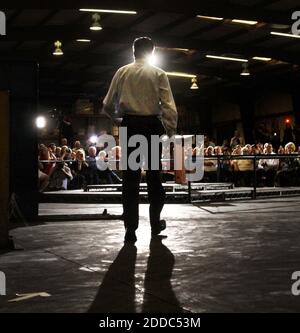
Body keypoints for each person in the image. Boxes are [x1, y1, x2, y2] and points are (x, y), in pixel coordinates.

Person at [103, 36, 177, 242]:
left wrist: (118, 121)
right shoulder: (159, 73)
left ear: (133, 51)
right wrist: (170, 130)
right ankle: (155, 225)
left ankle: (130, 229)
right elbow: (169, 105)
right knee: (154, 177)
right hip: (152, 126)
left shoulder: (122, 72)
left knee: (130, 180)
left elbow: (107, 104)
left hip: (130, 126)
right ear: (152, 52)